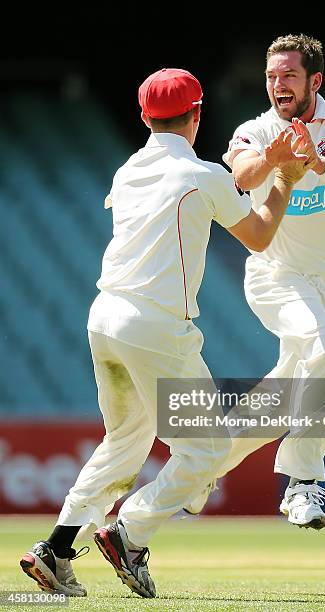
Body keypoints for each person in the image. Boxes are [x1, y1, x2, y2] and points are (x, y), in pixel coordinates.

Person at [19, 68, 308, 598]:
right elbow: (261, 236)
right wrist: (285, 180)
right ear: (196, 116)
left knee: (125, 440)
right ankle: (129, 534)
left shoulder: (128, 170)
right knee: (207, 449)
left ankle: (56, 550)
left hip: (104, 317)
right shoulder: (202, 174)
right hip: (155, 326)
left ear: (143, 117)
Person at [185, 33, 325, 529]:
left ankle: (200, 467)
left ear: (315, 79)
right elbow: (244, 175)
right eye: (272, 76)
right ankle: (302, 483)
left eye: (289, 75)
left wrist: (318, 163)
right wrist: (277, 157)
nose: (278, 85)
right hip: (277, 274)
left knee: (281, 399)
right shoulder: (256, 128)